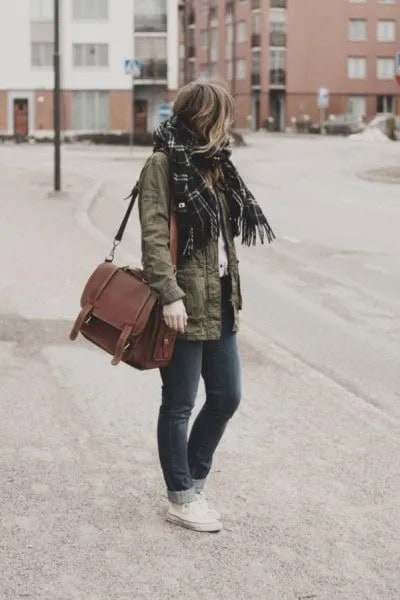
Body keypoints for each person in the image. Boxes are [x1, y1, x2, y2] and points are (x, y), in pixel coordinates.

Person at [138, 82, 274, 533]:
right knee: (178, 403)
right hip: (183, 302)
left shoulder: (215, 166)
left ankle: (193, 484)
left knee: (226, 397)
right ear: (202, 116)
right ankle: (180, 497)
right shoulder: (162, 164)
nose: (227, 123)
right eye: (222, 115)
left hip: (220, 300)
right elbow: (155, 238)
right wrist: (170, 293)